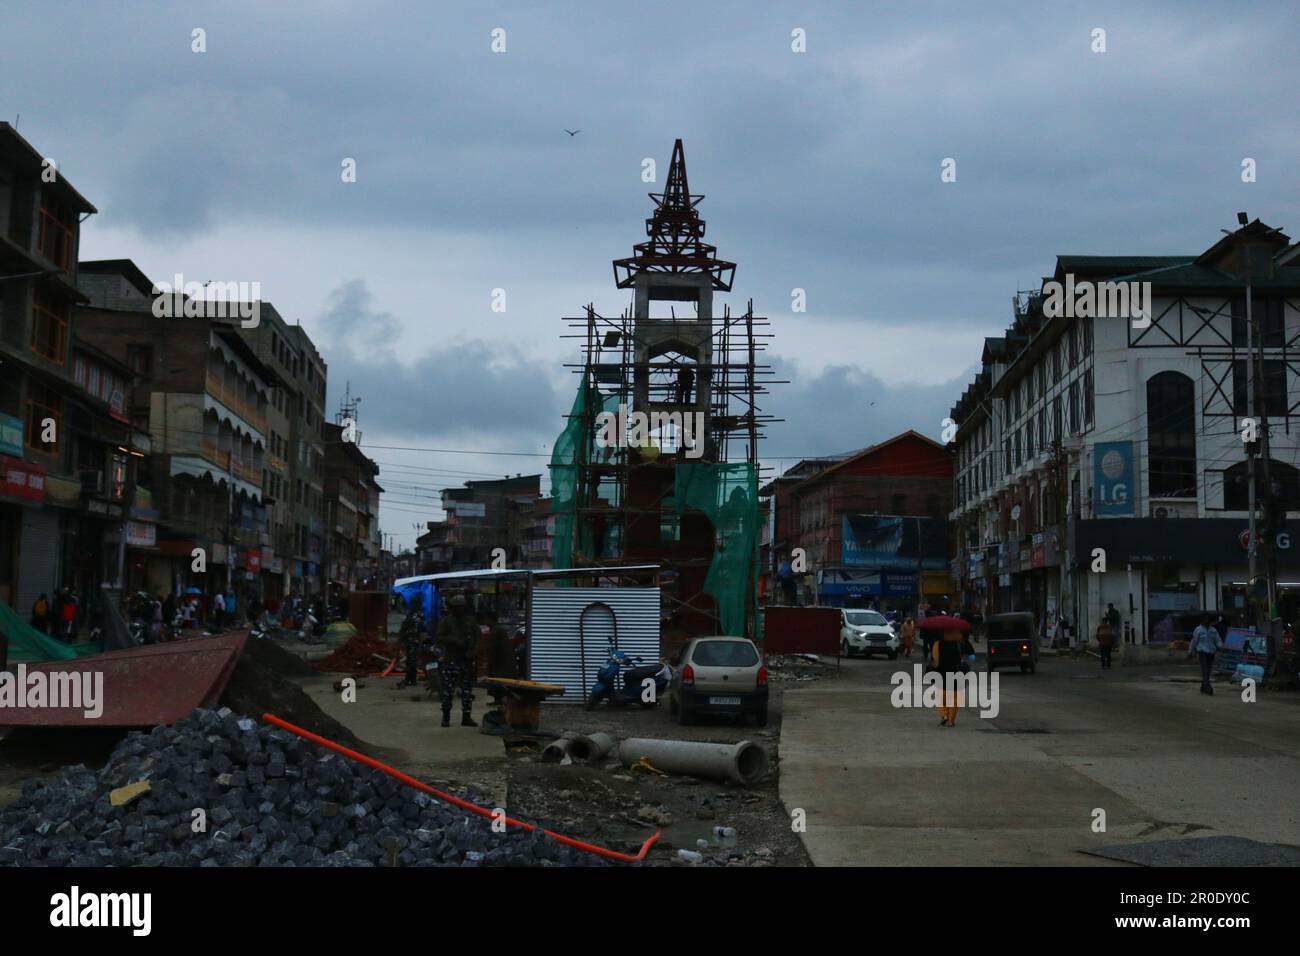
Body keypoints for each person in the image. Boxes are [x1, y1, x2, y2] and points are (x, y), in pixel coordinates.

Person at [435, 594, 479, 727]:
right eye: (456, 607)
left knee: (467, 691)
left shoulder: (470, 621)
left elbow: (477, 637)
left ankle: (466, 717)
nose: (459, 610)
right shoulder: (447, 621)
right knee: (448, 690)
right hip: (451, 659)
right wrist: (453, 640)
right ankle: (446, 717)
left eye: (461, 607)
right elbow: (439, 637)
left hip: (466, 660)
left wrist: (472, 651)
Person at [930, 626, 966, 727]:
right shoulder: (957, 645)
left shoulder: (937, 644)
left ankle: (944, 715)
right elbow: (961, 660)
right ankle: (951, 720)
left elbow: (935, 660)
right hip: (955, 673)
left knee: (941, 698)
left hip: (941, 674)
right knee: (954, 698)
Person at [1188, 613, 1222, 695]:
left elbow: (1217, 640)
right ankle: (1208, 687)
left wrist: (1221, 647)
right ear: (1202, 620)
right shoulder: (1198, 630)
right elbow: (1194, 641)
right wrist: (1191, 652)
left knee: (1208, 670)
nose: (1207, 621)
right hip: (1202, 653)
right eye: (1205, 619)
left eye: (1208, 619)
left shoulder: (1213, 630)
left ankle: (1203, 686)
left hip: (1211, 653)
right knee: (1205, 670)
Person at [397, 595, 425, 689]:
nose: (413, 604)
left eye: (414, 603)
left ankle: (411, 679)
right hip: (410, 639)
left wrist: (405, 633)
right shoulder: (412, 614)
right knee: (410, 660)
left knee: (412, 660)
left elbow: (416, 629)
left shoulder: (418, 615)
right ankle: (409, 678)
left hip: (414, 639)